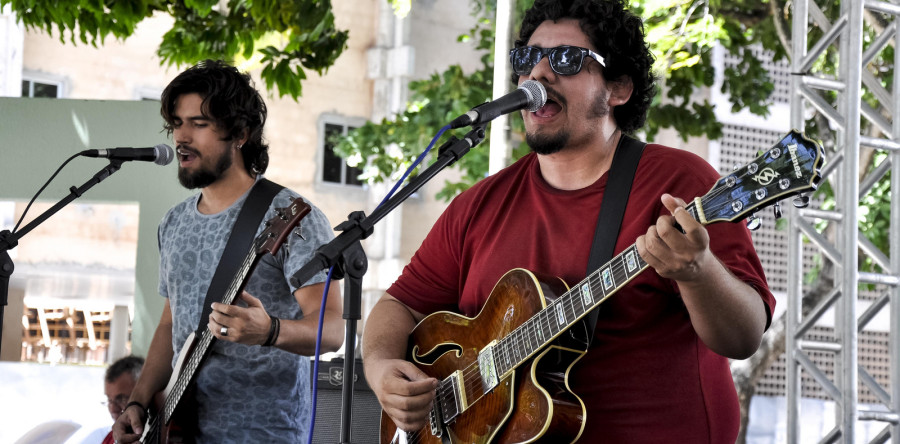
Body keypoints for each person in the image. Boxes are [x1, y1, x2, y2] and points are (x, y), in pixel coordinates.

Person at [361, 0, 774, 442]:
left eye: (566, 60)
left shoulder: (678, 183)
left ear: (618, 88)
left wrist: (699, 272)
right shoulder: (478, 205)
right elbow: (399, 305)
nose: (538, 74)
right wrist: (382, 369)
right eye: (527, 59)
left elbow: (744, 336)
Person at [113, 60, 344, 443]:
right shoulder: (173, 223)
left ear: (240, 134)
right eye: (177, 123)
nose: (182, 137)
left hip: (264, 433)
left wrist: (270, 331)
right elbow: (170, 326)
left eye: (199, 124)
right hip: (179, 430)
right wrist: (137, 401)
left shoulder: (291, 216)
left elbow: (332, 329)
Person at [102, 356, 144, 444]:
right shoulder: (111, 439)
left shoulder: (166, 432)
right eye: (109, 400)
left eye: (121, 399)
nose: (112, 409)